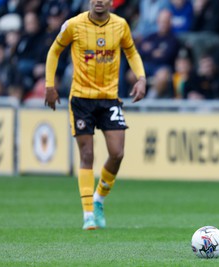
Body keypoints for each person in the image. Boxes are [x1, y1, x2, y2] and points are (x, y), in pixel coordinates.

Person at [44, 0, 146, 230]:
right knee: (87, 154)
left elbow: (131, 51)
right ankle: (88, 213)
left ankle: (99, 198)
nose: (99, 1)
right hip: (81, 99)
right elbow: (54, 51)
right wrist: (50, 85)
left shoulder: (120, 25)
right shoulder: (73, 25)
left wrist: (141, 78)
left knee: (117, 153)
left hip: (109, 98)